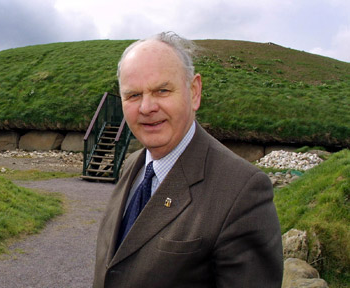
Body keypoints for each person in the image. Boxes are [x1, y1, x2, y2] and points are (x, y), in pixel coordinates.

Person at [93, 32, 283, 287]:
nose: (146, 107)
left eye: (162, 90)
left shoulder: (243, 191)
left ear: (194, 92)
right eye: (133, 95)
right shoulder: (132, 164)